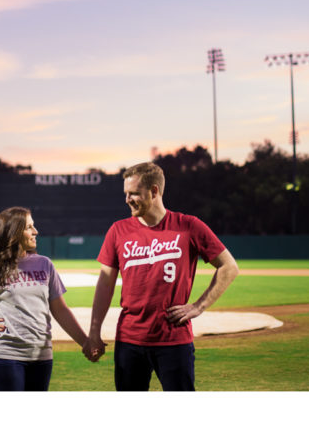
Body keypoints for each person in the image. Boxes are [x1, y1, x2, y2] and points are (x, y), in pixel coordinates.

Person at [82, 161, 238, 391]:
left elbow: (229, 267)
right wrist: (94, 331)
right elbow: (105, 283)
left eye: (134, 193)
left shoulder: (188, 226)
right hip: (129, 341)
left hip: (174, 340)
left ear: (154, 191)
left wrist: (198, 306)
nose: (127, 199)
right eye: (126, 193)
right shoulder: (118, 230)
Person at [0, 206, 98, 391]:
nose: (35, 232)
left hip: (42, 357)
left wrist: (85, 342)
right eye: (29, 227)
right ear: (13, 233)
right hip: (4, 357)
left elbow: (60, 310)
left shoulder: (44, 264)